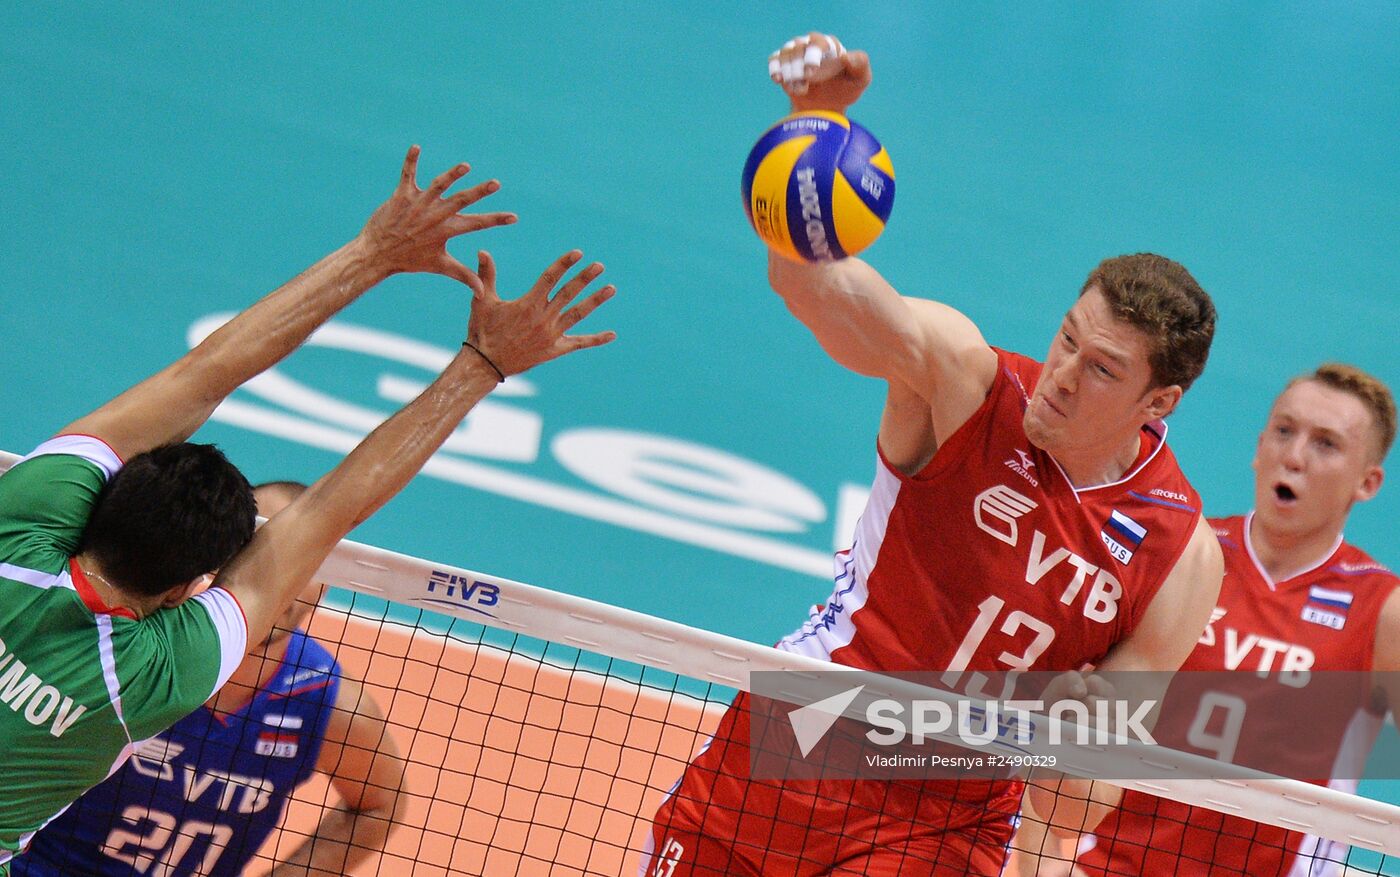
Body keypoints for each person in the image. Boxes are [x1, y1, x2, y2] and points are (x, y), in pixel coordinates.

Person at [643, 34, 1224, 877]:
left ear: (1159, 402)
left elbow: (1076, 808)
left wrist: (1077, 743)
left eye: (1101, 369)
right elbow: (809, 286)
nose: (1063, 375)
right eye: (1067, 338)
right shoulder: (965, 383)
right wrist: (812, 127)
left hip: (946, 815)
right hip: (799, 732)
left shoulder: (1179, 554)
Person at [0, 144, 616, 875]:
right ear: (184, 590)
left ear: (100, 499)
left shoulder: (20, 519)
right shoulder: (155, 675)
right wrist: (481, 365)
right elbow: (330, 509)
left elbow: (202, 373)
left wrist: (373, 250)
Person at [1015, 363, 1399, 877]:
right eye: (1284, 431)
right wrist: (1037, 866)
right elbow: (1067, 735)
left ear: (1367, 482)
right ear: (1259, 446)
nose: (1295, 456)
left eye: (1326, 444)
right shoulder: (1183, 558)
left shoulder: (1382, 608)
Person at [10, 481, 409, 876]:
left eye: (305, 560)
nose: (280, 579)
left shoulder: (323, 700)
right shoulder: (138, 649)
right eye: (258, 550)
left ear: (327, 584)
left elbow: (380, 805)